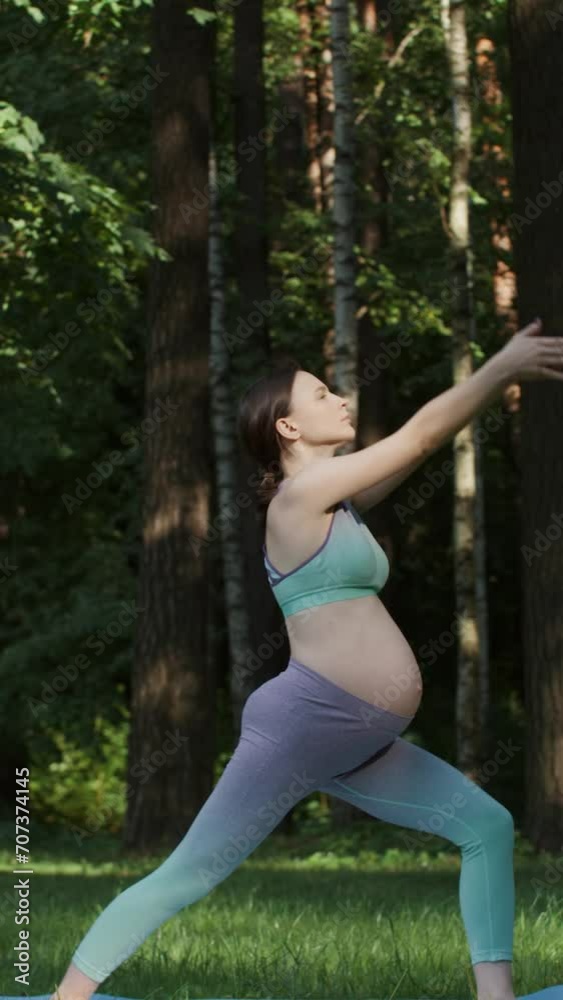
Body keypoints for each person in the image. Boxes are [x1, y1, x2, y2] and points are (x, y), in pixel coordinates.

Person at [47, 318, 563, 1000]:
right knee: (189, 874)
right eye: (321, 394)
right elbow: (417, 436)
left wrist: (486, 390)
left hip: (356, 739)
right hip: (305, 724)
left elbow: (418, 448)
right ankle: (66, 998)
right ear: (286, 427)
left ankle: (496, 997)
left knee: (486, 826)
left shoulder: (337, 499)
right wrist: (500, 368)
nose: (341, 398)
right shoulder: (297, 500)